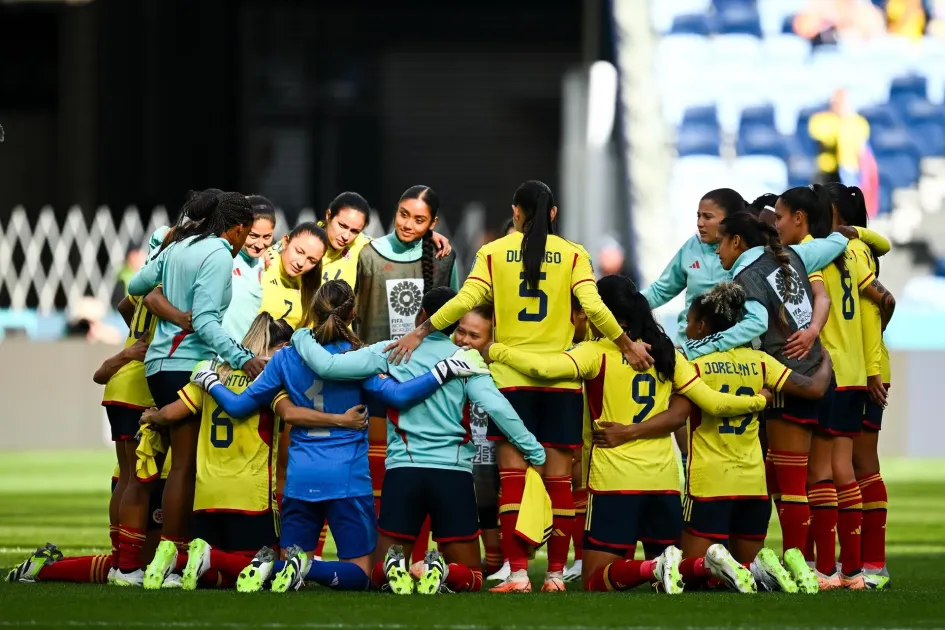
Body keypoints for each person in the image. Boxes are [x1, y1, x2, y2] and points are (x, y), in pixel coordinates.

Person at [385, 180, 653, 592]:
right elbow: (593, 307)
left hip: (511, 382)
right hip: (561, 381)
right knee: (560, 483)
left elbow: (464, 301)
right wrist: (627, 343)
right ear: (553, 214)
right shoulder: (574, 254)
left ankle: (518, 574)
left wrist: (420, 331)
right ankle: (557, 575)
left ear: (515, 213)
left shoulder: (493, 253)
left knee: (512, 478)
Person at [188, 280, 485, 593]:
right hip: (347, 479)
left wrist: (210, 381)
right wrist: (443, 371)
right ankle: (309, 566)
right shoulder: (358, 359)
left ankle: (215, 558)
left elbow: (238, 406)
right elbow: (400, 396)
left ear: (314, 310)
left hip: (300, 477)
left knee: (287, 570)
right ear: (353, 313)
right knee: (363, 575)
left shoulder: (286, 357)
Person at [483, 275, 768, 594]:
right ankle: (710, 565)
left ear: (608, 315)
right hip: (664, 483)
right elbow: (713, 402)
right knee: (675, 576)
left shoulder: (595, 352)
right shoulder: (667, 353)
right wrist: (758, 401)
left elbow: (543, 368)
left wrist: (496, 350)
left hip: (614, 482)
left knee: (596, 580)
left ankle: (656, 567)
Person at [290, 287, 545, 595]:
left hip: (404, 472)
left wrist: (301, 336)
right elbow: (499, 409)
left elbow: (328, 366)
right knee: (472, 576)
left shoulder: (391, 350)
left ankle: (389, 569)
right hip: (452, 474)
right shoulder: (465, 359)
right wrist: (535, 451)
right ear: (455, 322)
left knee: (379, 575)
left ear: (421, 314)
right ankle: (441, 571)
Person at [128, 189, 268, 586]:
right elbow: (205, 321)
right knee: (184, 467)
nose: (244, 243)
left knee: (163, 466)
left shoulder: (179, 246)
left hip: (157, 364)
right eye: (247, 234)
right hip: (187, 365)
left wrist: (171, 309)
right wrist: (243, 357)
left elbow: (137, 284)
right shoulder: (219, 254)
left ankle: (141, 560)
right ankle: (168, 562)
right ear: (238, 229)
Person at [710, 211, 855, 580]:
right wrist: (852, 231)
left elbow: (756, 324)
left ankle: (799, 567)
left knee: (791, 485)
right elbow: (837, 243)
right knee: (820, 478)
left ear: (736, 241)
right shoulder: (793, 255)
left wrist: (703, 347)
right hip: (823, 373)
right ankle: (826, 570)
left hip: (790, 382)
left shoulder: (746, 276)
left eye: (720, 243)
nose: (717, 251)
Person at [674, 283, 834, 595]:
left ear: (702, 326)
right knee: (746, 575)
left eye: (689, 322)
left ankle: (729, 565)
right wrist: (826, 359)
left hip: (709, 482)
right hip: (753, 485)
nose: (687, 328)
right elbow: (814, 388)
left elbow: (681, 412)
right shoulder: (760, 361)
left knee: (692, 575)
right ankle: (769, 567)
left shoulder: (692, 364)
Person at [774, 185, 890, 590]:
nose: (777, 225)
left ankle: (825, 568)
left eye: (780, 217)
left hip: (827, 371)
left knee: (819, 472)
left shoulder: (808, 255)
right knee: (845, 468)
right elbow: (876, 305)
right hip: (854, 370)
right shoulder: (852, 252)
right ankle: (853, 569)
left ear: (803, 217)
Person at [137, 313, 294, 589]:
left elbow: (172, 413)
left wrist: (152, 416)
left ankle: (177, 560)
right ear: (280, 348)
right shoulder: (270, 380)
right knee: (266, 572)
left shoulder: (214, 372)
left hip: (207, 495)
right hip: (250, 496)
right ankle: (193, 559)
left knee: (218, 579)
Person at [353, 185, 459, 563]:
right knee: (379, 471)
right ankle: (377, 558)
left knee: (420, 467)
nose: (408, 224)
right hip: (378, 376)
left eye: (419, 219)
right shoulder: (369, 253)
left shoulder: (444, 257)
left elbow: (452, 316)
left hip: (425, 380)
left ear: (433, 223)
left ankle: (417, 560)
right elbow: (357, 317)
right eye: (403, 214)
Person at [642, 188, 749, 472]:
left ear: (729, 221)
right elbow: (661, 290)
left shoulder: (746, 252)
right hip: (688, 348)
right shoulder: (691, 247)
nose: (700, 223)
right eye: (698, 216)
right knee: (681, 412)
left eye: (708, 217)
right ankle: (690, 471)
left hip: (731, 351)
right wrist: (623, 308)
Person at [825, 183, 895, 589]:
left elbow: (880, 306)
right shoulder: (857, 245)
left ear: (837, 214)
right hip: (866, 366)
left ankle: (866, 562)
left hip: (865, 369)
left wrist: (871, 369)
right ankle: (866, 561)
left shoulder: (848, 249)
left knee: (858, 463)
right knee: (857, 464)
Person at [452, 305, 503, 578]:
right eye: (461, 332)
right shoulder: (449, 361)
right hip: (464, 447)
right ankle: (489, 560)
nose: (464, 341)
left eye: (474, 336)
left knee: (491, 496)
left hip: (494, 445)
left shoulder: (503, 369)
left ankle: (499, 560)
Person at [318, 191, 452, 290]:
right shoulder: (307, 240)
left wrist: (426, 233)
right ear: (328, 215)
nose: (346, 236)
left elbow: (395, 243)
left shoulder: (364, 246)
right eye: (342, 226)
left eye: (354, 231)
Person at [221, 195, 276, 340]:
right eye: (253, 235)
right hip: (215, 352)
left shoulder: (268, 261)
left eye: (267, 237)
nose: (259, 245)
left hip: (248, 352)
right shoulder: (220, 255)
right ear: (239, 228)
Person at [262, 222, 329, 330]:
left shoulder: (308, 286)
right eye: (299, 252)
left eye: (312, 261)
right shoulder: (261, 261)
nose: (301, 263)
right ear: (285, 242)